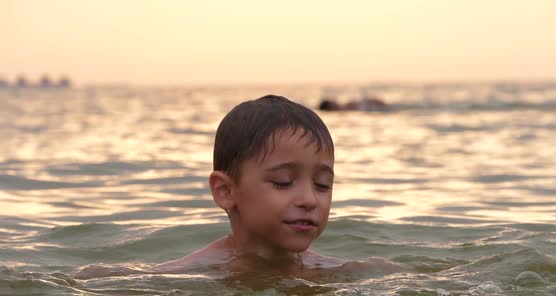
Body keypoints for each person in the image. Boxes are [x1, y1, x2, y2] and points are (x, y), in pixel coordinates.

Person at [76, 95, 403, 281]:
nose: (308, 200)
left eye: (322, 185)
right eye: (283, 183)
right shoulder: (202, 271)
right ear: (225, 191)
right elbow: (128, 279)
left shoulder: (333, 271)